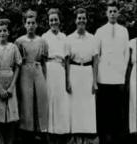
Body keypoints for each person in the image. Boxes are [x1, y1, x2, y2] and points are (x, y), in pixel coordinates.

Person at [95, 1, 129, 144]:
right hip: (104, 77)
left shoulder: (124, 30)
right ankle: (104, 137)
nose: (113, 14)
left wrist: (123, 71)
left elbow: (126, 53)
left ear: (118, 13)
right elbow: (96, 54)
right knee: (104, 109)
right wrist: (97, 77)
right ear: (106, 13)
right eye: (110, 11)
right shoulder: (100, 31)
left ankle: (117, 137)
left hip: (118, 76)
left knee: (118, 109)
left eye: (115, 11)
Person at [15, 9, 49, 144]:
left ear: (36, 25)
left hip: (38, 69)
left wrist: (45, 77)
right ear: (25, 24)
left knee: (40, 100)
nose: (30, 25)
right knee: (26, 101)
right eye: (28, 23)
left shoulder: (42, 41)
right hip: (25, 71)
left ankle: (40, 132)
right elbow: (17, 63)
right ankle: (26, 133)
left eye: (33, 23)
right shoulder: (19, 41)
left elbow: (44, 62)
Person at [0, 18, 22, 144]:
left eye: (4, 30)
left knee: (12, 118)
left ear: (8, 33)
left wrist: (12, 86)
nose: (2, 33)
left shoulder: (13, 47)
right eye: (0, 31)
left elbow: (18, 66)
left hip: (11, 82)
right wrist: (0, 88)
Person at [66, 8, 98, 144]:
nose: (81, 21)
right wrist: (67, 80)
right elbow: (66, 60)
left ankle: (87, 138)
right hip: (74, 71)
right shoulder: (69, 38)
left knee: (87, 105)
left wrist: (95, 81)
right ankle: (76, 138)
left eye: (83, 18)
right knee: (75, 105)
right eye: (79, 18)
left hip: (87, 71)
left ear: (86, 20)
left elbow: (96, 60)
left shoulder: (92, 38)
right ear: (75, 20)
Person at [41, 8, 70, 144]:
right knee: (49, 102)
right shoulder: (44, 37)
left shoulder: (64, 37)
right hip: (49, 70)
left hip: (61, 70)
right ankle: (49, 136)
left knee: (61, 103)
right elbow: (41, 59)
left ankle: (61, 134)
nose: (53, 22)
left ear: (59, 21)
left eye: (55, 20)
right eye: (51, 20)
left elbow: (67, 59)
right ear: (48, 22)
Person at [128, 37, 137, 134]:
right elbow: (128, 60)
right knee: (134, 99)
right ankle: (134, 128)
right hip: (135, 72)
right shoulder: (132, 42)